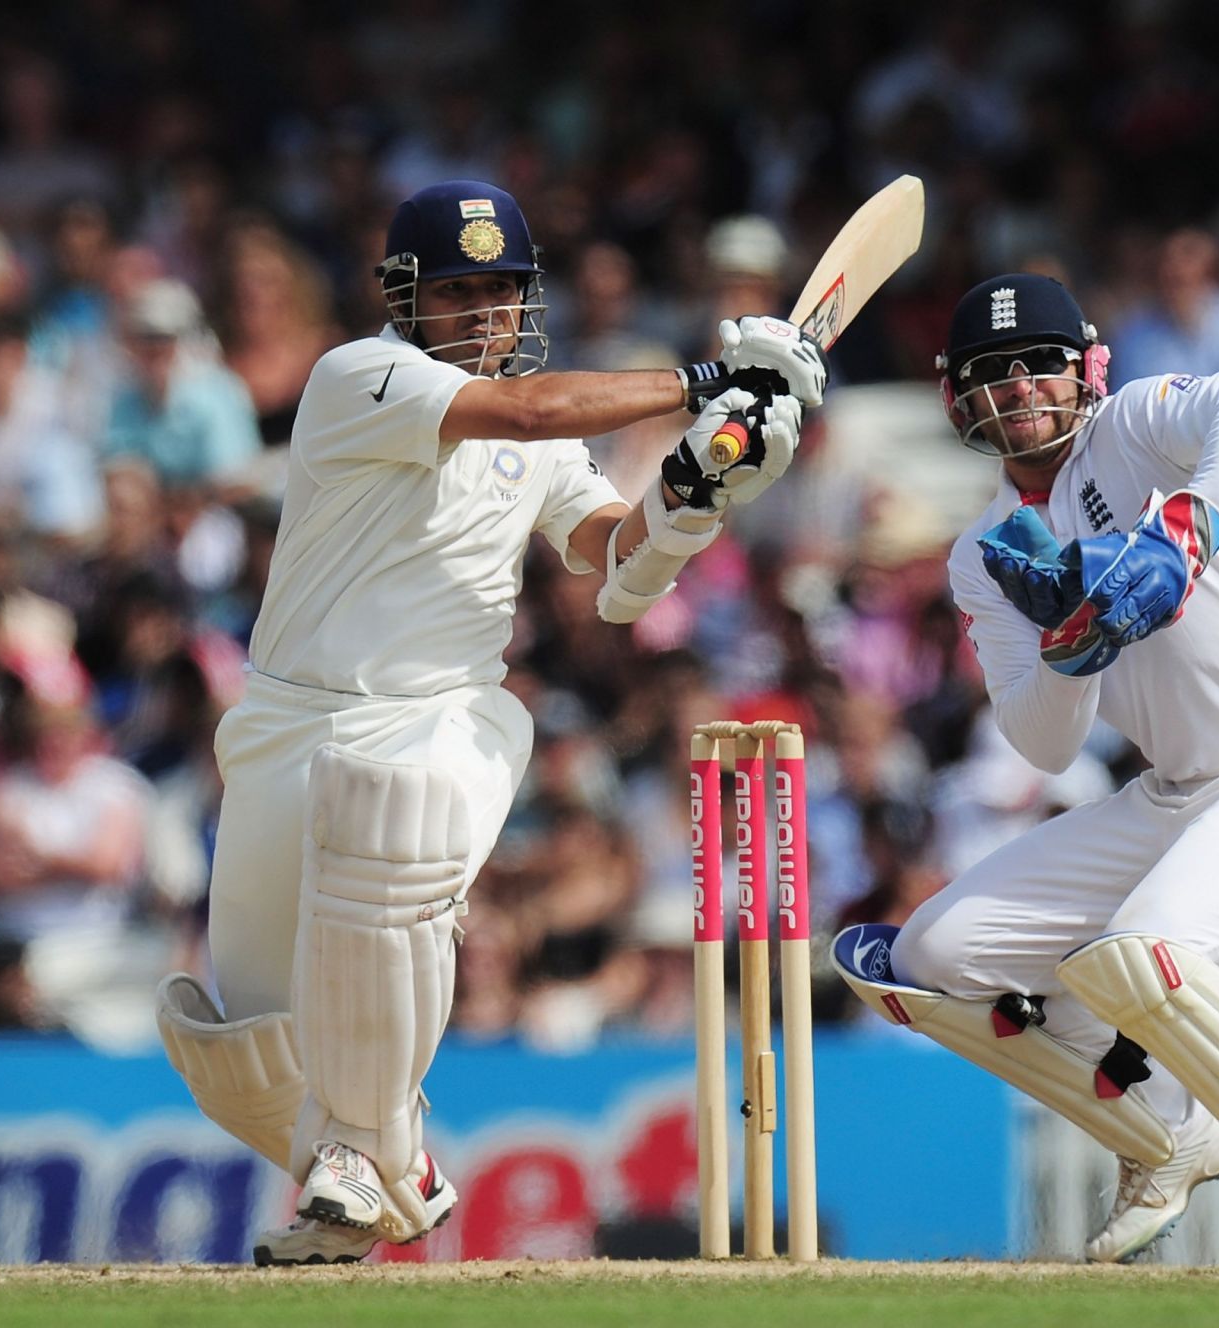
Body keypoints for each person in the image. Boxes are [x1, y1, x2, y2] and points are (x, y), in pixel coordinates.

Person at [151, 180, 822, 1266]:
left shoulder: (544, 436)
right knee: (240, 1050)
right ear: (405, 297)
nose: (487, 314)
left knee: (395, 808)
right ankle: (386, 1159)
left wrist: (693, 493)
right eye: (459, 292)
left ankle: (362, 1152)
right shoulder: (358, 376)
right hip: (288, 726)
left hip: (448, 718)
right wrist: (706, 381)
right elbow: (528, 409)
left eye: (503, 291)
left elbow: (612, 560)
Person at [831, 274, 1219, 1267]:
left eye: (1037, 365)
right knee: (926, 958)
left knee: (1150, 945)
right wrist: (1069, 641)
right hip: (1178, 795)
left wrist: (1183, 534)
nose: (1019, 389)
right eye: (991, 376)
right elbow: (1048, 743)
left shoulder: (1137, 429)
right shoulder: (983, 552)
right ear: (958, 400)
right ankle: (1163, 1129)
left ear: (1086, 367)